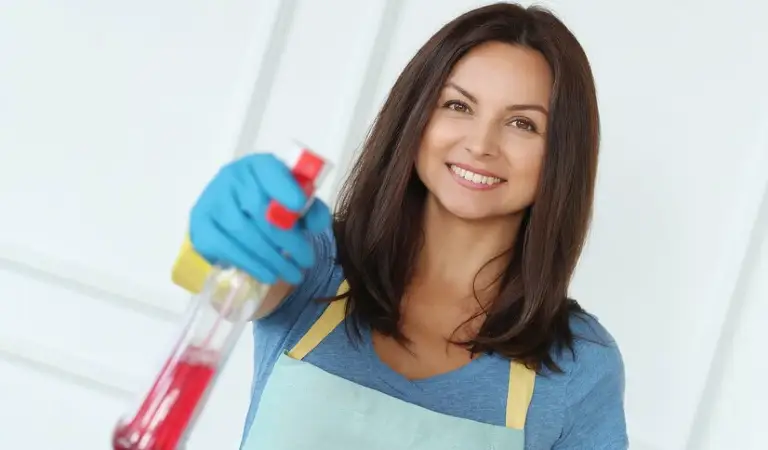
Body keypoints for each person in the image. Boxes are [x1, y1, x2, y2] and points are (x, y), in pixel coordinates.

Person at [189, 2, 628, 449]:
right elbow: (216, 282)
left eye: (522, 123)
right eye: (458, 105)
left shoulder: (579, 366)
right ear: (416, 116)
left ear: (562, 156)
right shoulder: (315, 263)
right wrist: (221, 238)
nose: (481, 144)